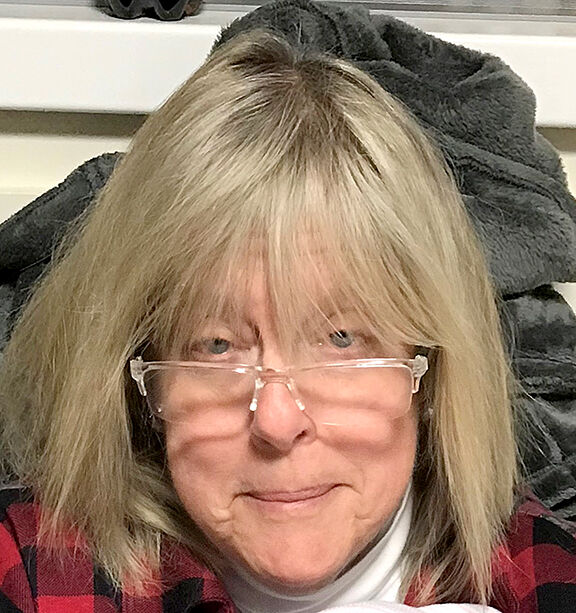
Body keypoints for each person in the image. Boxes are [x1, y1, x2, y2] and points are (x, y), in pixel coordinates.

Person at [0, 23, 575, 613]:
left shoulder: (544, 576)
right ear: (144, 384)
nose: (277, 423)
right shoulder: (31, 569)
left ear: (426, 369)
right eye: (217, 345)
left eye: (341, 338)